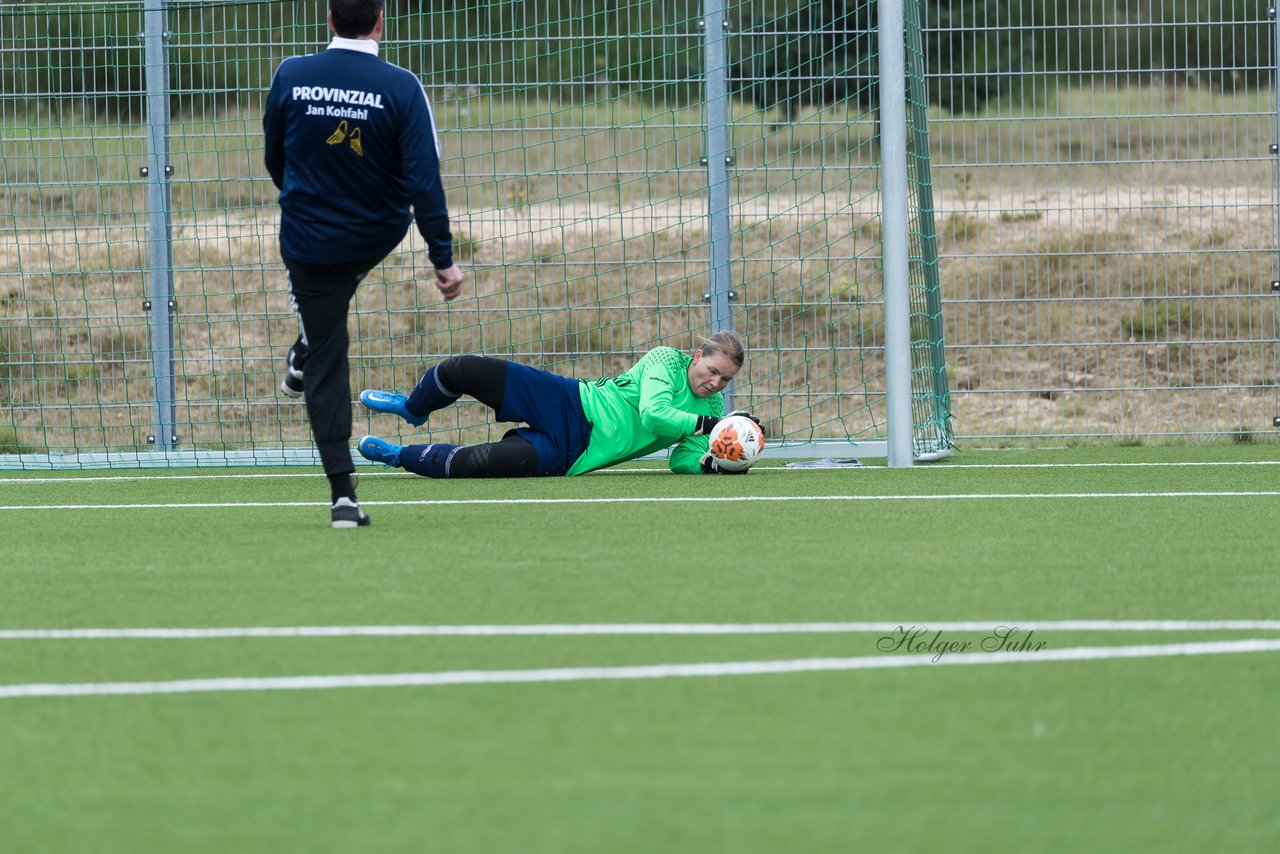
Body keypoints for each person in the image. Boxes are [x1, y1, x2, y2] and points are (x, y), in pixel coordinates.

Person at [263, 0, 464, 528]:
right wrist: (442, 259)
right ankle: (311, 342)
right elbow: (424, 179)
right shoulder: (401, 86)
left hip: (307, 238)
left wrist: (306, 196)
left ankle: (342, 499)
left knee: (326, 354)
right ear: (380, 21)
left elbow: (273, 157)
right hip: (374, 234)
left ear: (329, 20)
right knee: (328, 332)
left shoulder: (292, 74)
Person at [356, 331, 762, 477]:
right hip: (569, 400)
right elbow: (653, 414)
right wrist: (711, 429)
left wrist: (716, 461)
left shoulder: (709, 416)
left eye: (725, 380)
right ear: (696, 355)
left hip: (573, 455)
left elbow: (681, 461)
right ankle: (413, 408)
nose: (715, 382)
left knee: (472, 463)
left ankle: (396, 456)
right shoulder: (664, 360)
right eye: (712, 370)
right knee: (463, 368)